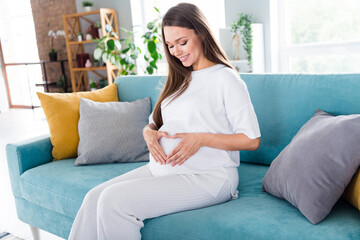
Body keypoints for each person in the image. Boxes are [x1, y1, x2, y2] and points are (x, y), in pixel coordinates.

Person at [68, 3, 261, 240]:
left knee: (113, 201)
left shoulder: (225, 79)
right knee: (93, 197)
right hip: (162, 170)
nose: (177, 51)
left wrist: (200, 140)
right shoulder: (180, 78)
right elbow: (155, 123)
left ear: (201, 33)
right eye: (170, 45)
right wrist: (148, 132)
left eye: (182, 42)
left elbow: (252, 140)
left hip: (210, 178)